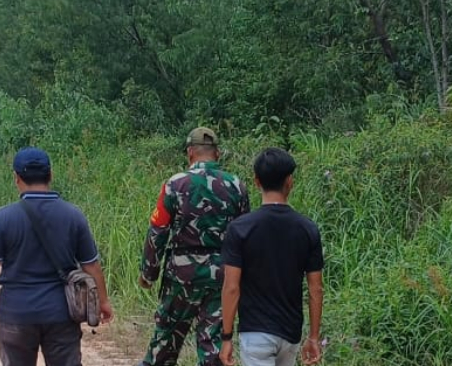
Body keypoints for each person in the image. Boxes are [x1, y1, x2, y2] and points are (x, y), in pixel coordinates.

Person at [0, 146, 114, 366]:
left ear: (16, 178)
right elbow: (91, 266)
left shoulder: (3, 218)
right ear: (51, 175)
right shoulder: (73, 215)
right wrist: (103, 301)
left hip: (16, 315)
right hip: (61, 315)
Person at [138, 127, 251, 366]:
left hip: (182, 276)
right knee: (213, 347)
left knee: (165, 341)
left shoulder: (175, 184)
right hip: (222, 275)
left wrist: (148, 273)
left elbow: (158, 231)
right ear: (217, 153)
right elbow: (244, 235)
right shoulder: (237, 186)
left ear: (190, 153)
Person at [219, 148, 324, 366]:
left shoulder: (240, 229)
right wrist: (313, 337)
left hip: (255, 333)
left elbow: (231, 287)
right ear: (290, 182)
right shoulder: (307, 229)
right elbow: (315, 288)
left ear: (256, 182)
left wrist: (226, 337)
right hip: (290, 334)